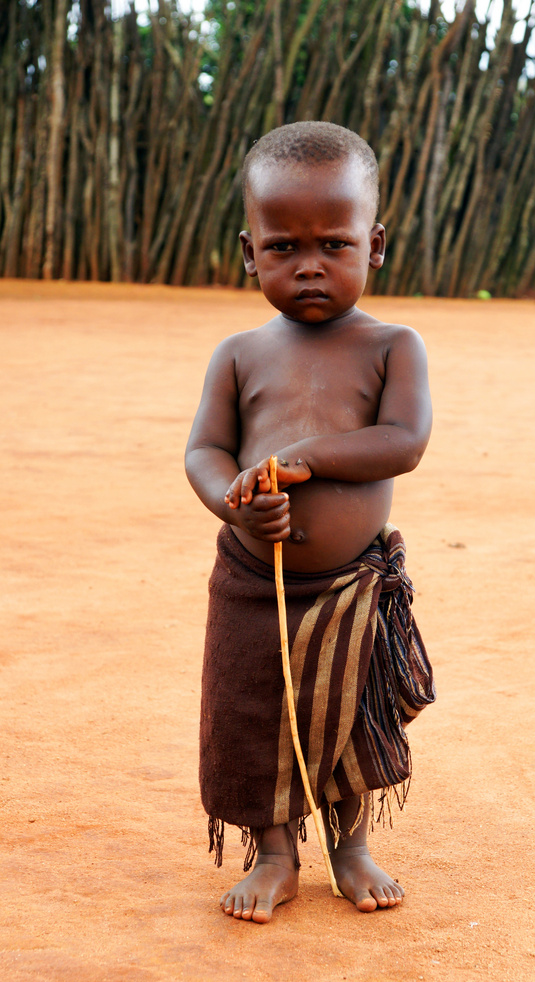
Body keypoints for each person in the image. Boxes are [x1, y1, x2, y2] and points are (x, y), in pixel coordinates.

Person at [185, 121, 435, 924]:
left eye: (334, 243)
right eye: (284, 247)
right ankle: (275, 852)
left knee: (348, 712)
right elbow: (204, 452)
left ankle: (351, 847)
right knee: (258, 711)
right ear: (249, 252)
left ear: (376, 244)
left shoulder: (393, 345)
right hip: (254, 582)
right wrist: (238, 500)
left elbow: (404, 442)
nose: (310, 265)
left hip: (349, 584)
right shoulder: (238, 353)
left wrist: (309, 456)